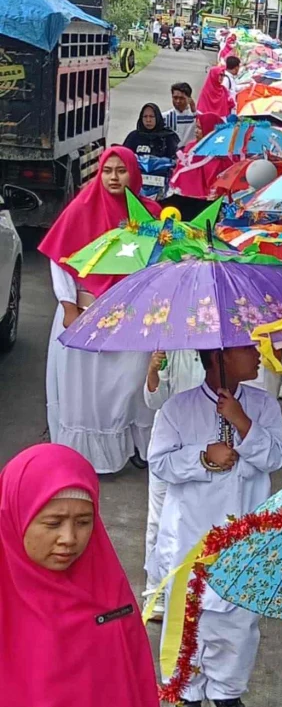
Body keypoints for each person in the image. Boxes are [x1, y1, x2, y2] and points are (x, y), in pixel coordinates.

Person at [148, 345, 282, 707]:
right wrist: (203, 457)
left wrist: (243, 423)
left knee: (238, 620)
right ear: (221, 356)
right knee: (190, 614)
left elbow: (276, 457)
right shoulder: (178, 408)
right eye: (248, 349)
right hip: (192, 532)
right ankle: (187, 693)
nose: (259, 356)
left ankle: (227, 692)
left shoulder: (262, 405)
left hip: (244, 532)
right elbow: (160, 462)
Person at [0, 443, 164, 707]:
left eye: (84, 521)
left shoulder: (110, 598)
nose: (69, 539)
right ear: (13, 515)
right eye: (52, 523)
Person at [40, 147, 162, 474]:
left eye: (121, 171)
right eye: (107, 170)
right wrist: (68, 306)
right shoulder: (82, 207)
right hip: (84, 313)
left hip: (133, 318)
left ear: (133, 174)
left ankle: (137, 448)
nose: (113, 177)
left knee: (130, 385)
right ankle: (85, 458)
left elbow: (161, 260)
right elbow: (60, 261)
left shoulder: (149, 214)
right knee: (85, 389)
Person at [141, 349, 205, 618]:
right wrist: (154, 370)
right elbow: (154, 401)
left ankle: (192, 589)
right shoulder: (170, 346)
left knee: (197, 517)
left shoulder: (220, 352)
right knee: (158, 519)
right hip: (168, 444)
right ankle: (155, 591)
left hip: (204, 443)